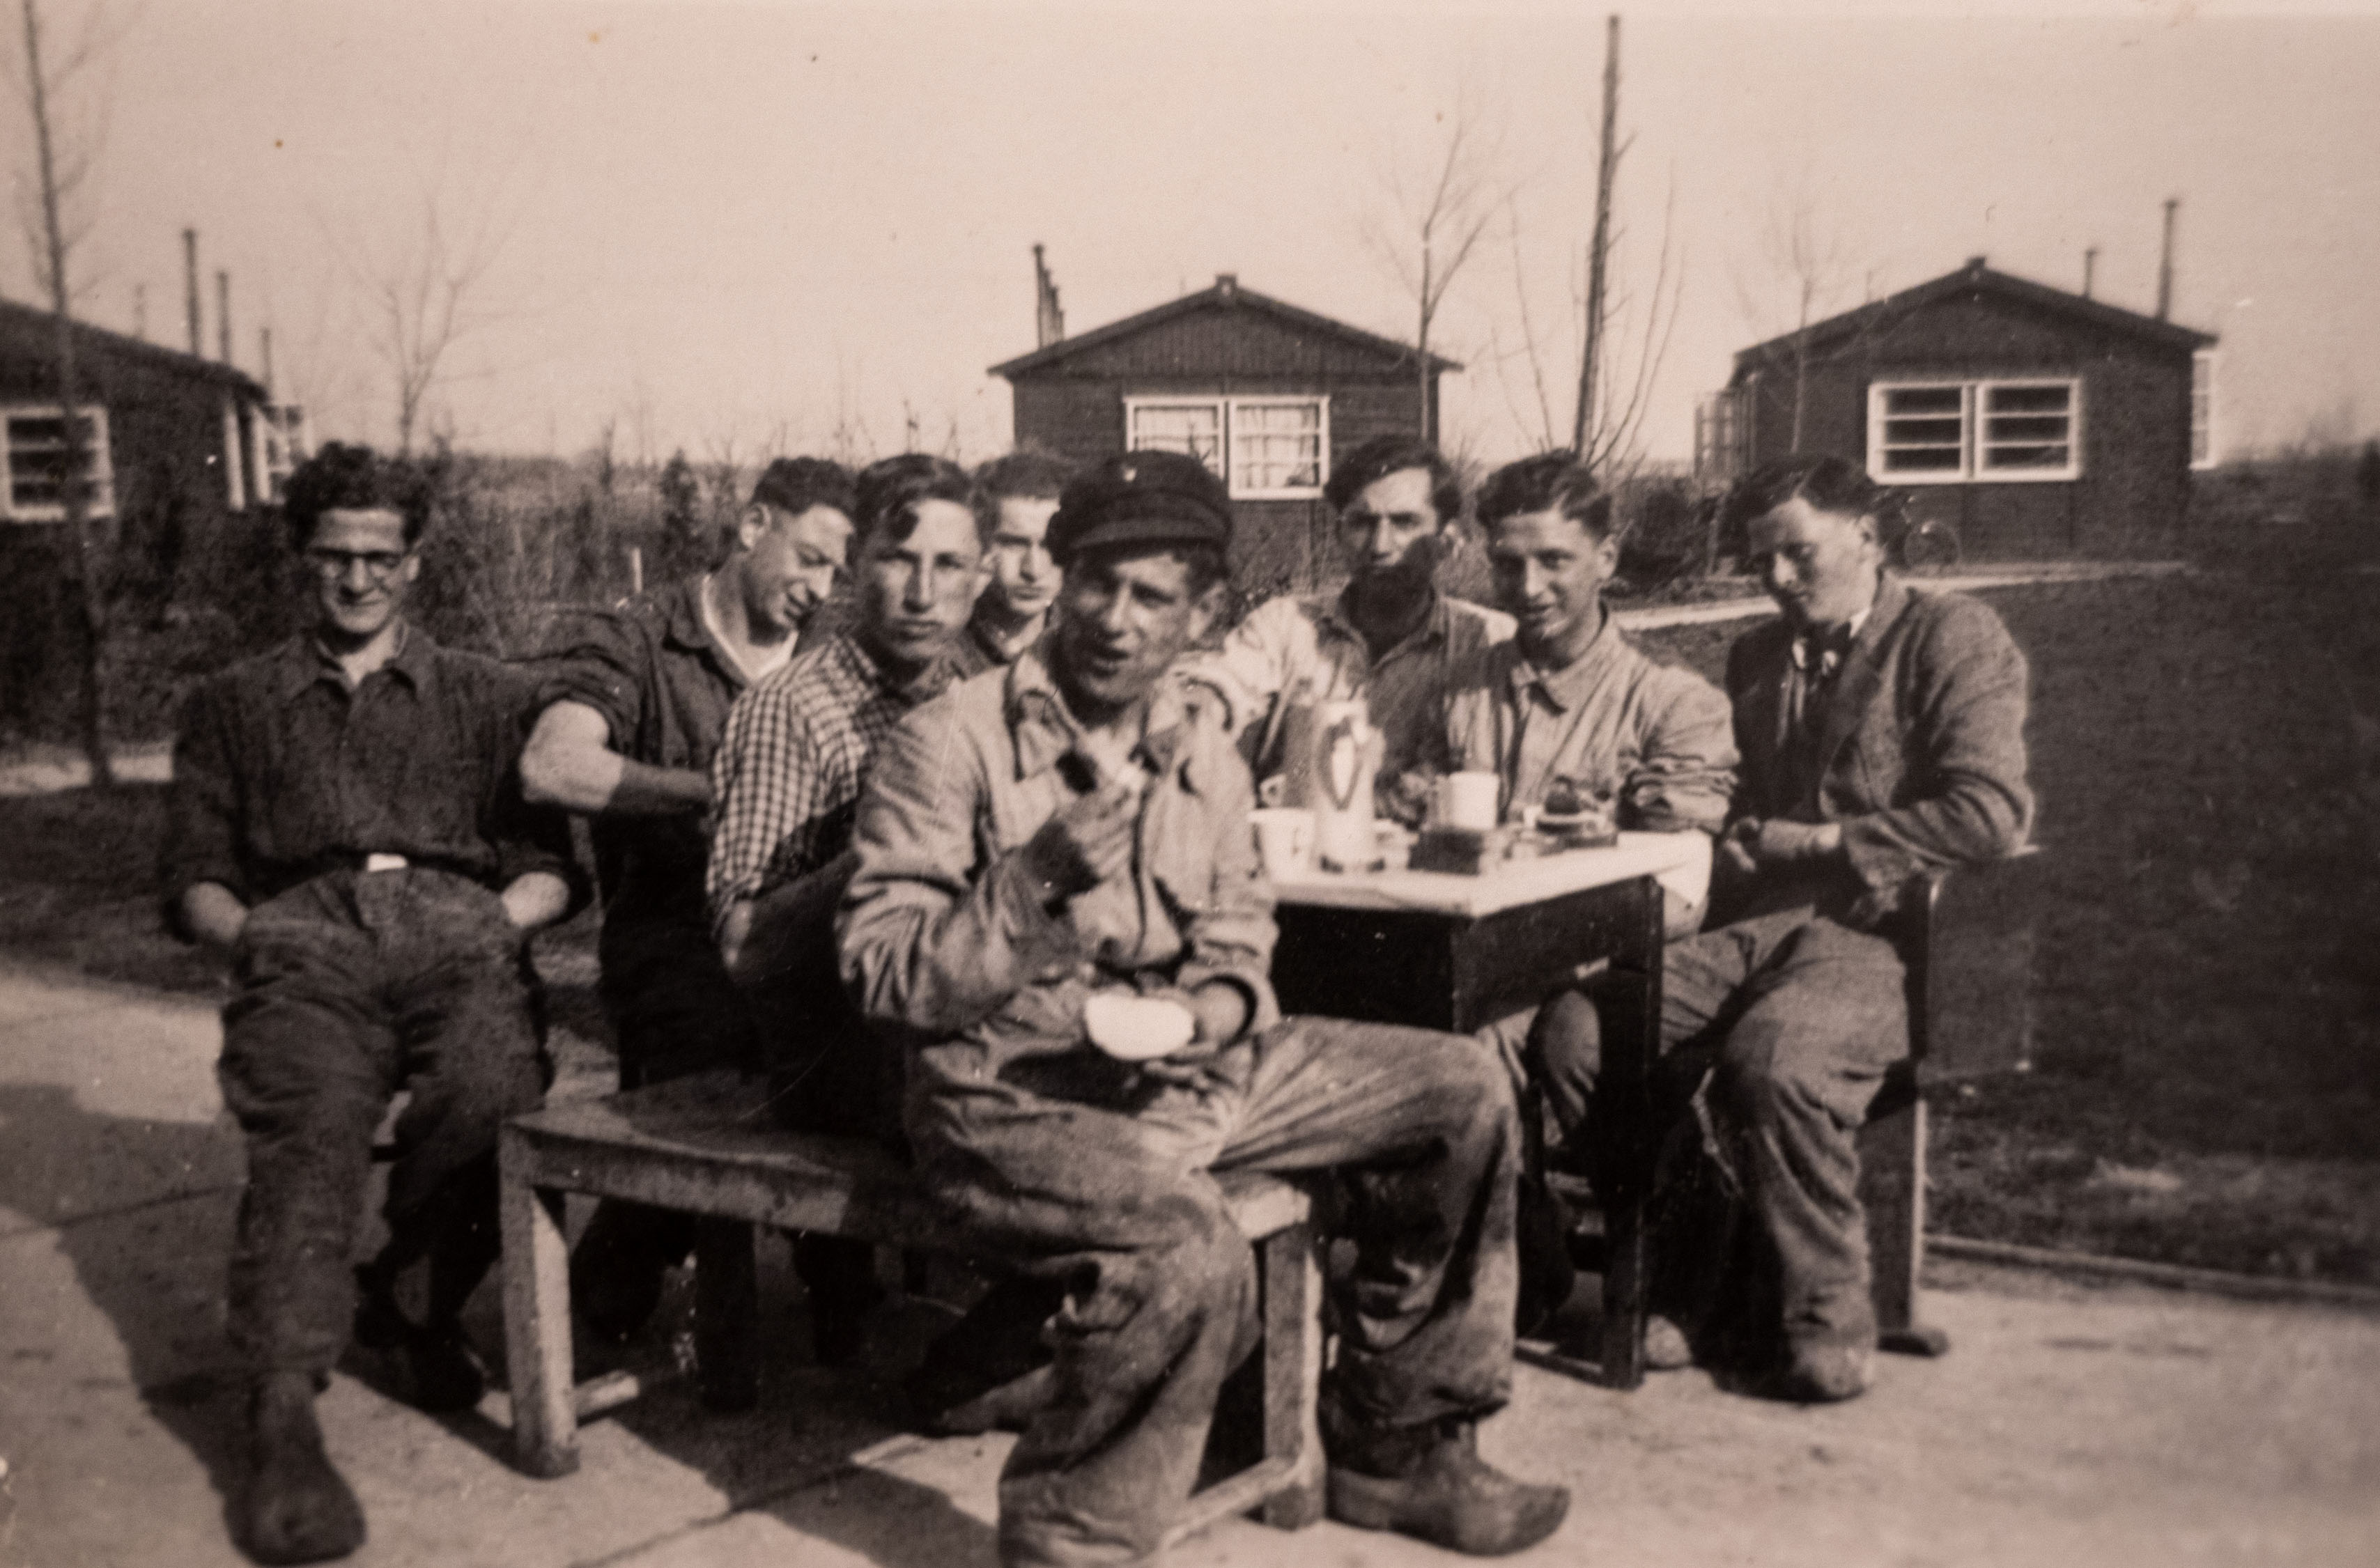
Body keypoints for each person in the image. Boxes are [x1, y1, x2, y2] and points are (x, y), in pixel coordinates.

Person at [839, 449, 1569, 1567]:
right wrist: (1032, 880)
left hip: (1192, 1072)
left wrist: (1217, 1011)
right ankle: (1071, 1542)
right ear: (1057, 577)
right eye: (1094, 583)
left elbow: (1240, 938)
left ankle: (1395, 1442)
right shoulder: (951, 740)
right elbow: (886, 975)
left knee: (1461, 1088)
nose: (1114, 622)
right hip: (1012, 1093)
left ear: (1204, 613)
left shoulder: (1206, 754)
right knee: (1192, 1250)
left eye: (1152, 596)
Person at [1532, 454, 2032, 1402]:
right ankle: (1698, 1267)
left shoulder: (1951, 636)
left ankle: (1824, 1309)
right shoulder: (1757, 658)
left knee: (1775, 1057)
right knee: (1576, 1030)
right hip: (1756, 929)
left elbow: (1989, 813)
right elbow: (1741, 806)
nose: (1777, 580)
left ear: (1868, 541)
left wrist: (1832, 838)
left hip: (1883, 936)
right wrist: (1667, 814)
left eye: (1799, 555)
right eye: (1763, 561)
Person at [161, 443, 581, 1565]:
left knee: (497, 1097)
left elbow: (551, 866)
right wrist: (260, 936)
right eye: (334, 558)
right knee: (311, 1127)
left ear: (416, 563)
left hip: (459, 935)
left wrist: (498, 922)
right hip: (305, 947)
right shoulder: (233, 703)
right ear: (302, 559)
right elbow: (191, 874)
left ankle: (411, 1297)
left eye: (379, 559)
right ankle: (283, 1406)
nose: (356, 581)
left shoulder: (490, 697)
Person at [519, 456, 856, 1342]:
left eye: (837, 573)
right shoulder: (639, 636)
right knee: (715, 1052)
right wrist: (717, 790)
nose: (821, 590)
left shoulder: (833, 661)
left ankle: (843, 1279)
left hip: (799, 927)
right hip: (671, 938)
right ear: (752, 527)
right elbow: (553, 763)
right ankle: (636, 1256)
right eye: (811, 558)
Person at [1430, 451, 1737, 1338]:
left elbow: (1679, 881)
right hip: (1486, 951)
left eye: (1553, 561)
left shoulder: (1668, 700)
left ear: (1605, 558)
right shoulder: (1461, 692)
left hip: (1621, 950)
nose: (1527, 586)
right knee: (1439, 1027)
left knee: (1544, 1034)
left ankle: (1691, 1263)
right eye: (1507, 563)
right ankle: (1515, 1262)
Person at [704, 451, 987, 1362]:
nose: (922, 591)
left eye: (949, 566)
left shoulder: (983, 705)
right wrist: (880, 840)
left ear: (979, 578)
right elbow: (745, 952)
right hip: (833, 1050)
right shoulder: (794, 708)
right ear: (853, 564)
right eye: (898, 560)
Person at [1182, 434, 1510, 817]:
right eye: (1362, 523)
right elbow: (1221, 686)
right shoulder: (1285, 626)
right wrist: (1200, 707)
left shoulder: (1488, 639)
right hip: (1295, 855)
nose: (1380, 545)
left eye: (1405, 522)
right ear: (1338, 533)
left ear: (1447, 539)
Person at [953, 450, 1072, 674]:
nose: (1033, 570)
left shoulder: (1082, 646)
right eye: (1013, 544)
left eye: (1049, 545)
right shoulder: (942, 650)